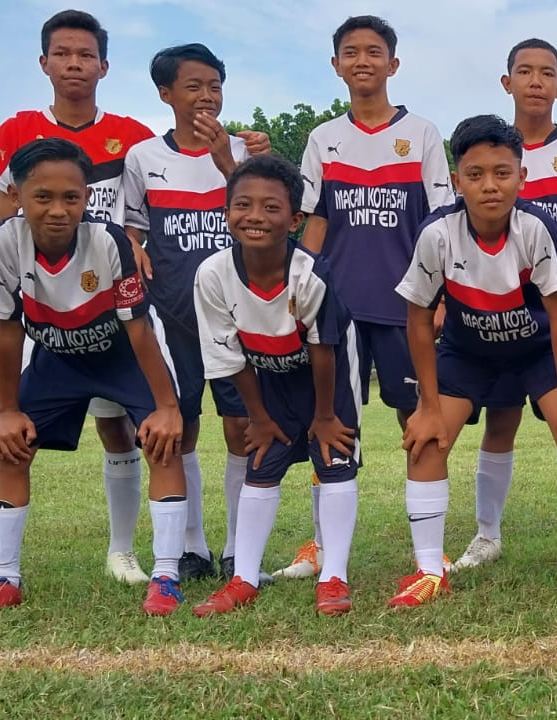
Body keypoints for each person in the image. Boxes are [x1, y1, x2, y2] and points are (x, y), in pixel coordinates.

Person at [0, 11, 270, 602]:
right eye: (63, 53)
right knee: (21, 436)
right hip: (60, 321)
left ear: (103, 65)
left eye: (85, 55)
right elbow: (2, 228)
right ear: (44, 61)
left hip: (140, 316)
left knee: (174, 430)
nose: (74, 64)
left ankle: (172, 558)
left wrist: (241, 156)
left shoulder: (133, 142)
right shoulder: (19, 137)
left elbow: (145, 253)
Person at [0, 138, 187, 618]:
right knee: (13, 446)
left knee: (162, 441)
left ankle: (166, 576)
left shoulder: (109, 241)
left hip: (122, 354)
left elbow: (139, 329)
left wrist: (166, 407)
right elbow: (8, 328)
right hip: (57, 355)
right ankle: (3, 578)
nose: (58, 210)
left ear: (87, 197)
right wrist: (7, 411)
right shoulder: (1, 243)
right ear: (16, 194)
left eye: (71, 198)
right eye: (43, 197)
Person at [392, 115, 557, 608]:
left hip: (537, 348)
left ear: (521, 177)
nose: (490, 185)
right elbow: (418, 320)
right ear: (457, 180)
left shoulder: (537, 228)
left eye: (502, 172)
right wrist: (427, 405)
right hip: (469, 350)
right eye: (476, 174)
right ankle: (428, 570)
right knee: (426, 440)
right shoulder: (437, 234)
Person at [281, 15, 454, 581]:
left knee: (419, 418)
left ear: (393, 63)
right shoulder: (322, 138)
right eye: (351, 52)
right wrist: (299, 287)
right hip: (338, 311)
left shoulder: (422, 134)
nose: (362, 61)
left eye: (374, 51)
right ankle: (321, 546)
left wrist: (442, 295)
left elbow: (441, 224)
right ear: (336, 65)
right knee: (329, 421)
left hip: (408, 308)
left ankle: (429, 548)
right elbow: (315, 221)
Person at [449, 38, 557, 571]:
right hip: (491, 315)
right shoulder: (485, 152)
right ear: (507, 82)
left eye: (546, 72)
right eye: (524, 71)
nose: (535, 81)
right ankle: (487, 534)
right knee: (500, 424)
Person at [189, 155, 361, 617]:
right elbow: (229, 357)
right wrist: (259, 418)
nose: (255, 216)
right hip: (268, 373)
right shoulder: (212, 275)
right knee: (261, 462)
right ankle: (244, 577)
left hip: (327, 373)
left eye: (271, 207)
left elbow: (323, 349)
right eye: (243, 205)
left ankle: (333, 576)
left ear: (295, 219)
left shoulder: (311, 273)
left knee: (333, 459)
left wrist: (325, 416)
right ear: (226, 212)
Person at [122, 43, 255, 584]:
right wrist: (133, 245)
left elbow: (262, 217)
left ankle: (238, 549)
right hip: (172, 313)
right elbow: (132, 229)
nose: (207, 96)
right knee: (183, 428)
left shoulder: (245, 151)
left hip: (235, 317)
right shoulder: (143, 158)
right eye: (194, 86)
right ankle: (192, 547)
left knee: (242, 428)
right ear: (166, 93)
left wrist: (229, 163)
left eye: (215, 86)